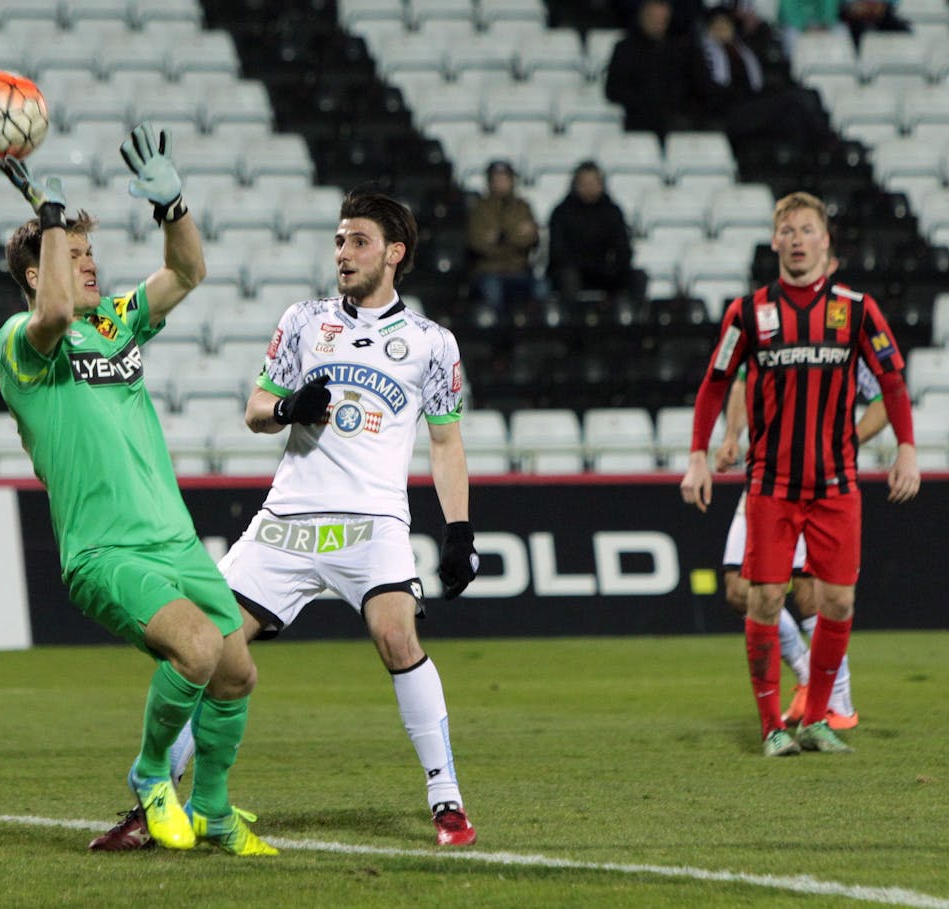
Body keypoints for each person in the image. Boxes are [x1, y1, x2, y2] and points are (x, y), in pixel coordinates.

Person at [93, 190, 483, 850]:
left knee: (397, 637)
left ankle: (446, 799)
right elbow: (255, 408)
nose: (342, 253)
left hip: (372, 522)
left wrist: (459, 530)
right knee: (206, 647)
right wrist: (288, 409)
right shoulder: (303, 320)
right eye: (338, 241)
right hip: (289, 520)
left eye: (357, 241)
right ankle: (150, 803)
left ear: (394, 253)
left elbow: (446, 442)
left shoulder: (431, 344)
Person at [0, 126, 274, 857]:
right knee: (195, 648)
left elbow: (186, 272)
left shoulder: (117, 323)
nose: (89, 266)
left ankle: (211, 807)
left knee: (236, 670)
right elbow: (53, 314)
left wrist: (173, 206)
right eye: (74, 256)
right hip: (104, 546)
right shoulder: (21, 342)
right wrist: (50, 223)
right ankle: (152, 776)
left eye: (90, 254)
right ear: (35, 273)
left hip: (173, 537)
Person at [679, 191, 921, 757]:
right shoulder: (749, 312)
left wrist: (906, 448)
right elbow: (716, 383)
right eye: (786, 230)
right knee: (763, 600)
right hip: (772, 485)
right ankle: (771, 729)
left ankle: (816, 718)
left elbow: (892, 382)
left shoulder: (858, 309)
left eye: (806, 229)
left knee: (838, 603)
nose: (796, 239)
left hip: (837, 484)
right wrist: (699, 453)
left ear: (825, 240)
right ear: (774, 242)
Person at [714, 363, 889, 729]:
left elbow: (884, 400)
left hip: (817, 484)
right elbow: (742, 384)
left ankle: (839, 703)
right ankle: (809, 675)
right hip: (764, 478)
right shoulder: (767, 326)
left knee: (809, 591)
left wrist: (846, 443)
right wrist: (732, 433)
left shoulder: (845, 340)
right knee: (737, 589)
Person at [690, 6, 833, 153]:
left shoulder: (745, 51)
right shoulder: (702, 56)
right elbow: (708, 92)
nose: (723, 29)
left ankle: (811, 161)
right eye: (717, 25)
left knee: (803, 104)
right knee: (794, 101)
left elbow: (758, 84)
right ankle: (828, 144)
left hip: (752, 104)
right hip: (729, 112)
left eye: (726, 24)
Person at [547, 161, 638, 304]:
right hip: (573, 270)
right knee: (568, 276)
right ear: (576, 185)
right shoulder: (562, 212)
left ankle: (630, 321)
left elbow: (623, 248)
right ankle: (572, 322)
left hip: (605, 271)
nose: (589, 187)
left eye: (593, 182)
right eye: (584, 183)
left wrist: (612, 267)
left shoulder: (612, 211)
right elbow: (557, 252)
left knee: (637, 277)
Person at [605, 0, 691, 136]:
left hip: (673, 118)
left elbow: (685, 86)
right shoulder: (625, 49)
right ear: (643, 17)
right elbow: (613, 90)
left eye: (663, 20)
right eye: (654, 19)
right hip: (638, 119)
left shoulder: (677, 50)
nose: (659, 24)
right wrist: (647, 101)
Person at [467, 160, 540, 316]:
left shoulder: (523, 207)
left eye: (505, 179)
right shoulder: (479, 208)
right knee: (492, 291)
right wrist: (515, 234)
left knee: (542, 289)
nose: (501, 183)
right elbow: (478, 244)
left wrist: (499, 237)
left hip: (519, 269)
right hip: (489, 271)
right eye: (497, 179)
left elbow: (532, 239)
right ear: (489, 182)